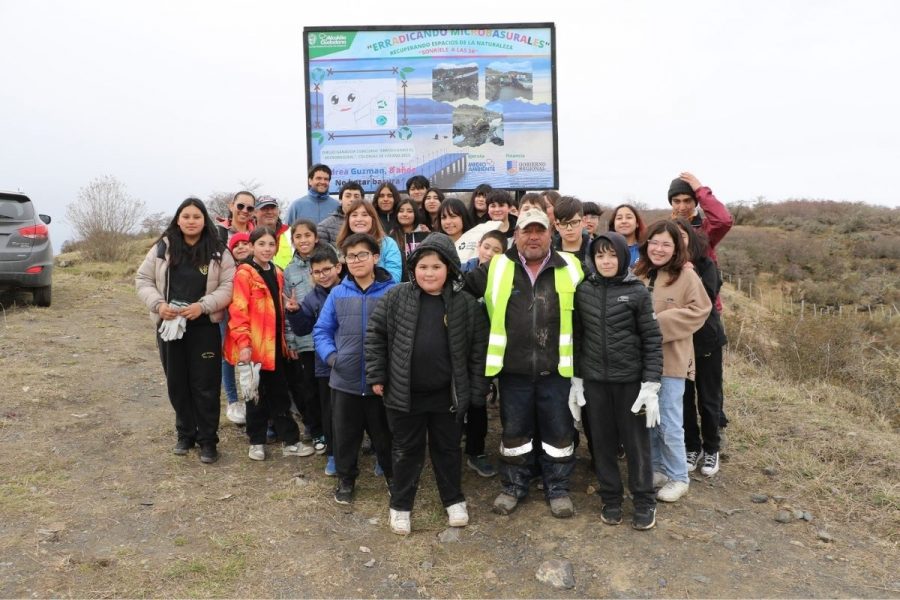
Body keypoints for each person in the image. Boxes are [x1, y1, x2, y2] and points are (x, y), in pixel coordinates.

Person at [365, 233, 489, 535]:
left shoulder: (466, 305)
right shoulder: (396, 297)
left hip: (447, 396)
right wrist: (377, 375)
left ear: (449, 269)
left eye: (436, 267)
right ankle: (401, 505)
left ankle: (453, 499)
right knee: (407, 450)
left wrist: (476, 390)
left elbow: (477, 352)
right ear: (413, 268)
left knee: (447, 449)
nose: (429, 273)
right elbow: (375, 336)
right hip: (404, 394)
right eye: (423, 267)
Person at [465, 209, 584, 518]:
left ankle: (557, 487)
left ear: (550, 235)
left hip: (557, 369)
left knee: (559, 434)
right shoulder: (496, 266)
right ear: (515, 236)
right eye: (526, 231)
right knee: (515, 433)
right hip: (513, 369)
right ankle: (514, 486)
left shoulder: (572, 266)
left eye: (539, 231)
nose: (533, 237)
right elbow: (459, 291)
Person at [572, 231, 663, 530]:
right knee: (602, 444)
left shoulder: (636, 291)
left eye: (612, 254)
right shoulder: (583, 289)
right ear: (592, 258)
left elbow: (651, 338)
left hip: (631, 383)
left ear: (623, 256)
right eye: (600, 255)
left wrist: (651, 384)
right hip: (596, 383)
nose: (606, 260)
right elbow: (578, 337)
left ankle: (644, 500)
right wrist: (577, 378)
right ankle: (610, 499)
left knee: (637, 446)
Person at [136, 198, 236, 463]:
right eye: (186, 216)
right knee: (177, 382)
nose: (191, 221)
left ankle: (208, 440)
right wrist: (158, 305)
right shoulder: (163, 247)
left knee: (205, 384)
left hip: (204, 326)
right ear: (178, 220)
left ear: (205, 220)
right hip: (169, 326)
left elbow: (228, 286)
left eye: (196, 216)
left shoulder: (218, 251)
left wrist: (203, 306)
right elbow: (143, 279)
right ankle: (185, 434)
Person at [313, 233, 396, 505]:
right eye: (350, 256)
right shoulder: (338, 293)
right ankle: (346, 479)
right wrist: (332, 358)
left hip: (381, 381)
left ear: (375, 257)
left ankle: (393, 477)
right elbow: (322, 330)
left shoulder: (392, 291)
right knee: (345, 436)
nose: (356, 260)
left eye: (362, 254)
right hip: (344, 379)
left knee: (384, 435)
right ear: (344, 262)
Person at [633, 220, 711, 502]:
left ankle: (679, 476)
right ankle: (657, 469)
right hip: (641, 362)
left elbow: (701, 309)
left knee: (669, 419)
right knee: (648, 418)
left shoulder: (687, 276)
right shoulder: (639, 271)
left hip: (671, 361)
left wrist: (658, 323)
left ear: (676, 248)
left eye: (666, 244)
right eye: (654, 242)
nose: (659, 249)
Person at [225, 227, 308, 462]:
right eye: (261, 244)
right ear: (251, 246)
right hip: (254, 348)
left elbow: (281, 310)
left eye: (271, 244)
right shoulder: (245, 274)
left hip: (275, 348)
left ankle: (290, 441)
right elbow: (238, 311)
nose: (266, 249)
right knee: (255, 397)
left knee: (280, 394)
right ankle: (257, 441)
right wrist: (244, 344)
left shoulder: (278, 272)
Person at [674, 218, 727, 477]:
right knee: (683, 397)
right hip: (678, 344)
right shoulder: (666, 268)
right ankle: (691, 446)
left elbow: (704, 298)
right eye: (675, 236)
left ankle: (711, 447)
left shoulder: (706, 265)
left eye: (683, 236)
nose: (680, 241)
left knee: (709, 397)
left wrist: (688, 271)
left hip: (706, 341)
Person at [286, 244, 344, 476]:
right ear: (311, 274)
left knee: (364, 412)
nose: (323, 275)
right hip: (325, 366)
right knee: (329, 412)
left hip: (354, 363)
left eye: (327, 269)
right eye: (317, 272)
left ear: (338, 267)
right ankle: (333, 454)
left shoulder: (351, 288)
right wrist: (295, 312)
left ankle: (378, 452)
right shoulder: (312, 298)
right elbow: (302, 330)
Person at [282, 219, 326, 455]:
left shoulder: (327, 262)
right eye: (298, 237)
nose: (303, 240)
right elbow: (287, 308)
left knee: (329, 389)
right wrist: (290, 340)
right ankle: (316, 431)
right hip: (305, 340)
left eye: (308, 235)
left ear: (316, 237)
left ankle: (334, 430)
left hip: (329, 338)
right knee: (308, 389)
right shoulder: (289, 271)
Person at [223, 232, 252, 425]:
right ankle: (233, 400)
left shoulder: (260, 266)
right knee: (228, 358)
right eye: (236, 245)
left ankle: (251, 400)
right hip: (228, 317)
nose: (241, 247)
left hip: (254, 318)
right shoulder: (228, 269)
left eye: (245, 243)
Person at [336, 199, 403, 283]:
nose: (359, 219)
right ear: (348, 220)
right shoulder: (341, 245)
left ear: (373, 219)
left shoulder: (388, 244)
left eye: (364, 215)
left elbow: (394, 278)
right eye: (354, 215)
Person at [388, 197, 431, 282]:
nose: (405, 214)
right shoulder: (391, 236)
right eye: (401, 211)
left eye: (409, 211)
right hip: (400, 283)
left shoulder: (425, 234)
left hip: (423, 281)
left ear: (415, 214)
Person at [318, 181, 364, 246]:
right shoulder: (325, 227)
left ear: (362, 200)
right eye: (348, 196)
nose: (352, 199)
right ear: (340, 199)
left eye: (356, 196)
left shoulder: (369, 223)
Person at [552, 196, 591, 271]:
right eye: (563, 223)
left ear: (584, 221)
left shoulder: (595, 250)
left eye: (574, 222)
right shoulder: (548, 254)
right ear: (556, 225)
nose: (569, 228)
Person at [253, 196, 292, 269]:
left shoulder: (291, 233)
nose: (270, 212)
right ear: (255, 212)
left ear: (279, 212)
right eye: (264, 208)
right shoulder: (246, 234)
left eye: (273, 208)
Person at [608, 204, 646, 268]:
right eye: (619, 218)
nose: (624, 221)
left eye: (629, 217)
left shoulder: (646, 249)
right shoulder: (605, 248)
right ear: (613, 224)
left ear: (637, 223)